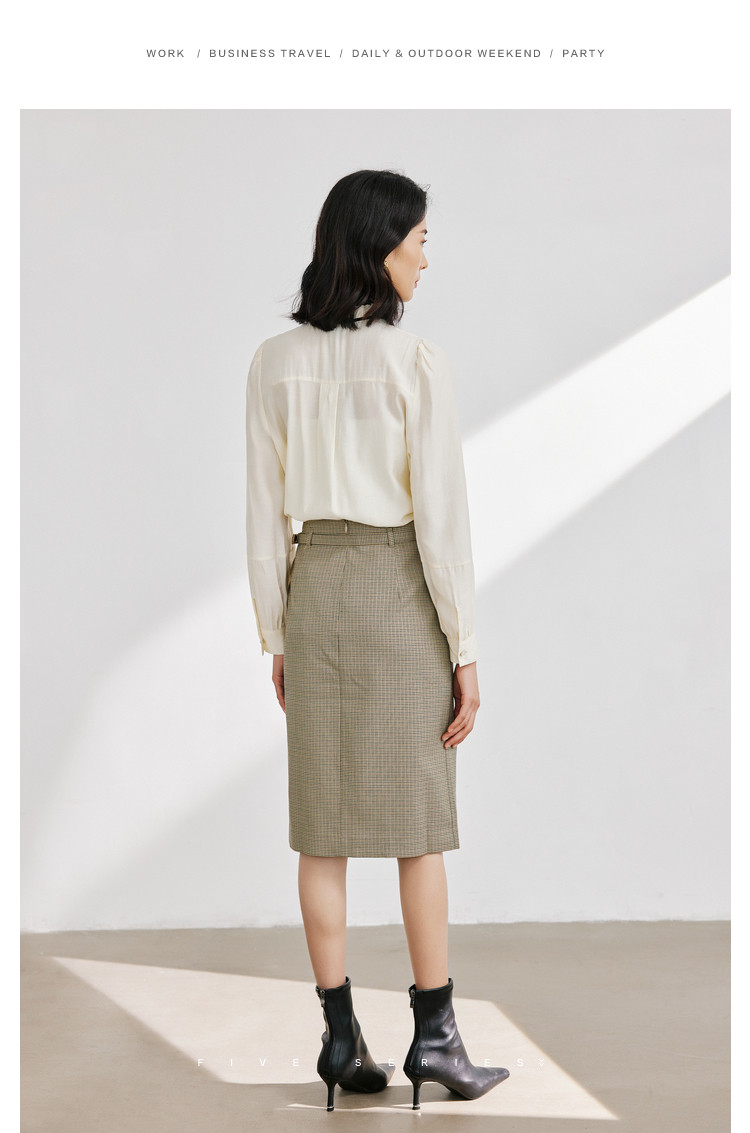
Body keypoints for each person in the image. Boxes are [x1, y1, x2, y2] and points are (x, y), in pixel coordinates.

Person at [245, 169, 509, 1111]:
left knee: (321, 831)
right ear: (381, 244)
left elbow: (263, 515)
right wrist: (464, 646)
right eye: (420, 240)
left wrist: (277, 631)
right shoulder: (414, 361)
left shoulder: (273, 362)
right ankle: (436, 1038)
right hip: (399, 592)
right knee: (417, 828)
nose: (427, 259)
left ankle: (340, 1038)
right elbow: (441, 518)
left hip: (315, 590)